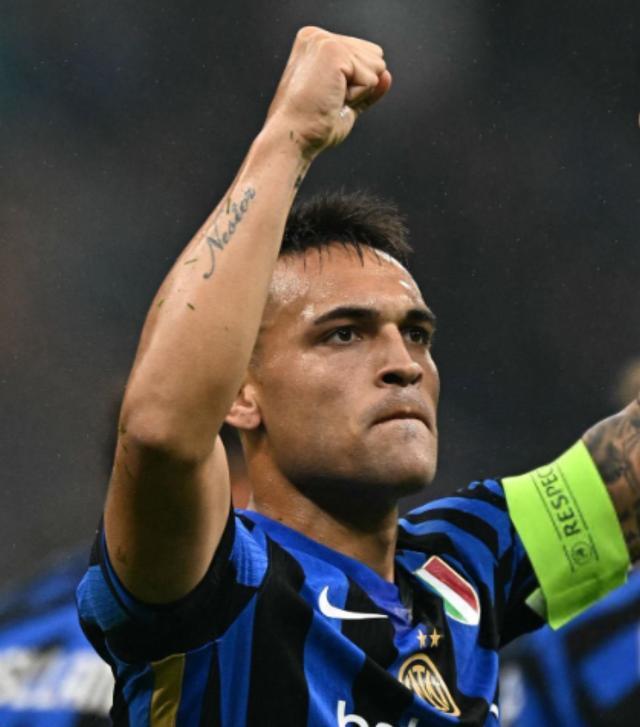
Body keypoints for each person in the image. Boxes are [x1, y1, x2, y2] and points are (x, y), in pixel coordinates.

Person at [76, 27, 639, 725]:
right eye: (343, 333)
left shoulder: (469, 557)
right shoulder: (215, 583)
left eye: (417, 334)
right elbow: (160, 431)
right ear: (241, 394)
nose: (403, 364)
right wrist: (288, 138)